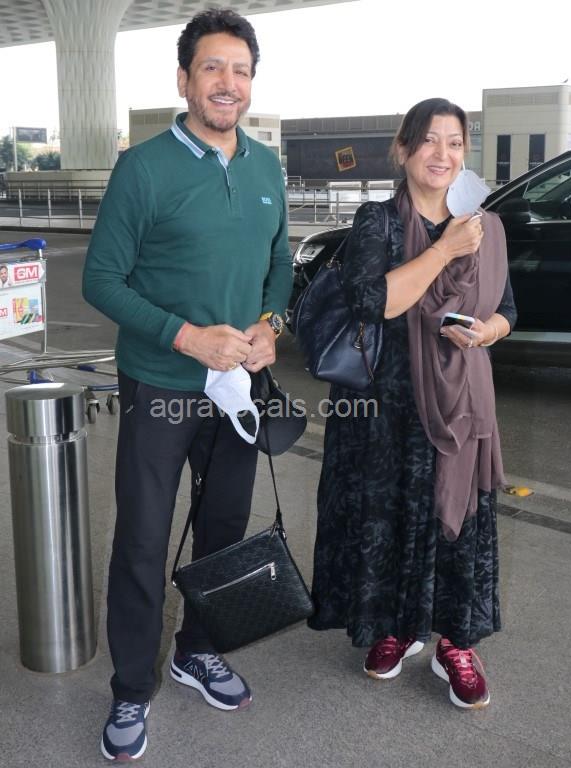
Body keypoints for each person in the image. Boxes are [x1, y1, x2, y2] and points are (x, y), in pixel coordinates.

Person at [82, 9, 290, 762]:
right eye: (212, 67)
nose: (227, 83)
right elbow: (101, 280)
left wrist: (270, 324)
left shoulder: (266, 167)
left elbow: (280, 263)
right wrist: (186, 336)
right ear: (184, 79)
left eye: (240, 70)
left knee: (223, 531)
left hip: (237, 391)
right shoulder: (143, 168)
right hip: (160, 384)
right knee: (142, 538)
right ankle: (132, 686)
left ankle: (196, 650)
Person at [308, 98, 516, 710]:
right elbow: (378, 301)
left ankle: (456, 644)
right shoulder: (379, 221)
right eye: (428, 140)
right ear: (404, 150)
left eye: (453, 142)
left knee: (458, 527)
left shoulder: (485, 226)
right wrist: (444, 250)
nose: (441, 154)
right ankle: (395, 629)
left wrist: (486, 332)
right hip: (386, 409)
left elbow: (507, 309)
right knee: (390, 515)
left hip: (460, 406)